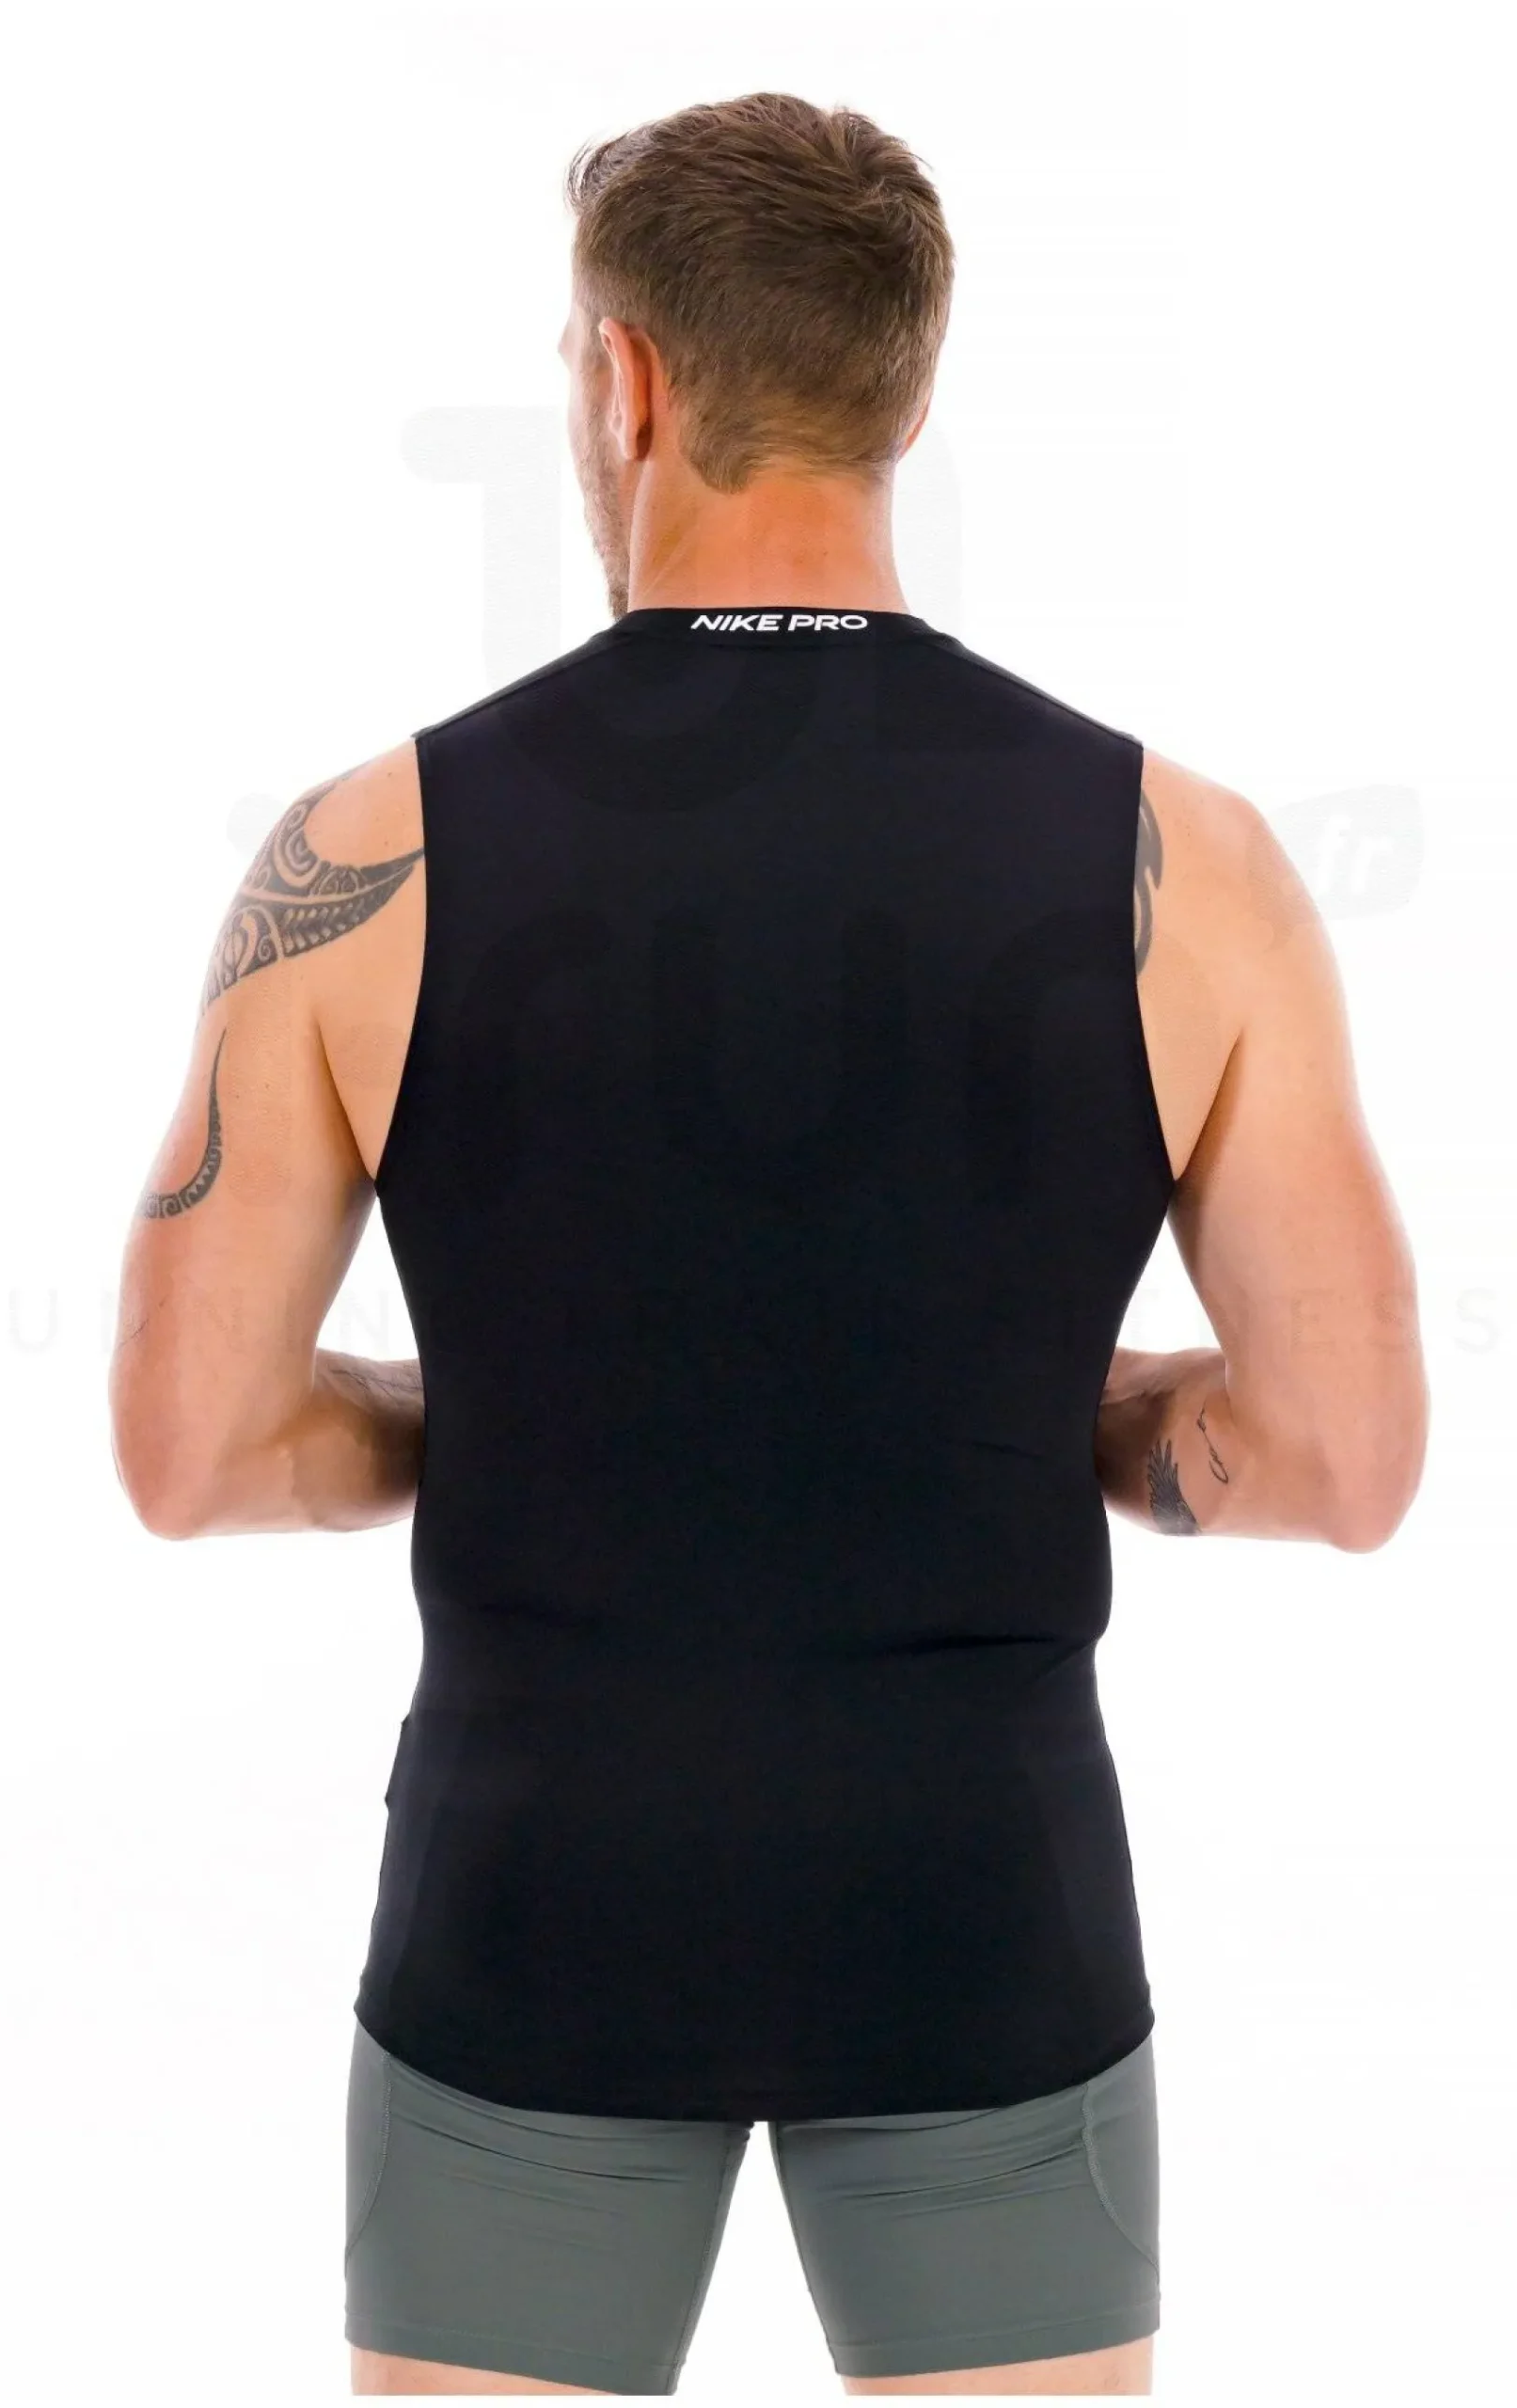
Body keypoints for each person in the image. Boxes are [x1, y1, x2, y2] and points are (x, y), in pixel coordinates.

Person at [109, 90, 1429, 2400]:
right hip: (981, 1919)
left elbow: (193, 1450)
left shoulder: (365, 856)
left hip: (531, 1918)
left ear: (623, 379)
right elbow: (1336, 1457)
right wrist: (1005, 1410)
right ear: (907, 390)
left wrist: (514, 1413)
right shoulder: (1187, 862)